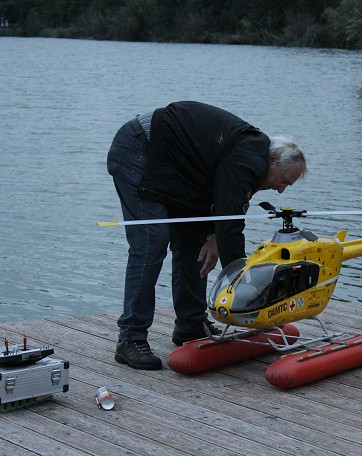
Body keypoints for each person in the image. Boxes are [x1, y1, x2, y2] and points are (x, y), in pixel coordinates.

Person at [106, 101, 307, 370]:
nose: (281, 190)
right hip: (139, 148)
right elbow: (231, 224)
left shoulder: (249, 158)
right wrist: (243, 287)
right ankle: (130, 337)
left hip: (178, 167)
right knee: (151, 241)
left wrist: (212, 234)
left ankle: (190, 325)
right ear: (272, 160)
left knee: (193, 243)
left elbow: (228, 203)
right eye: (284, 181)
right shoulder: (249, 160)